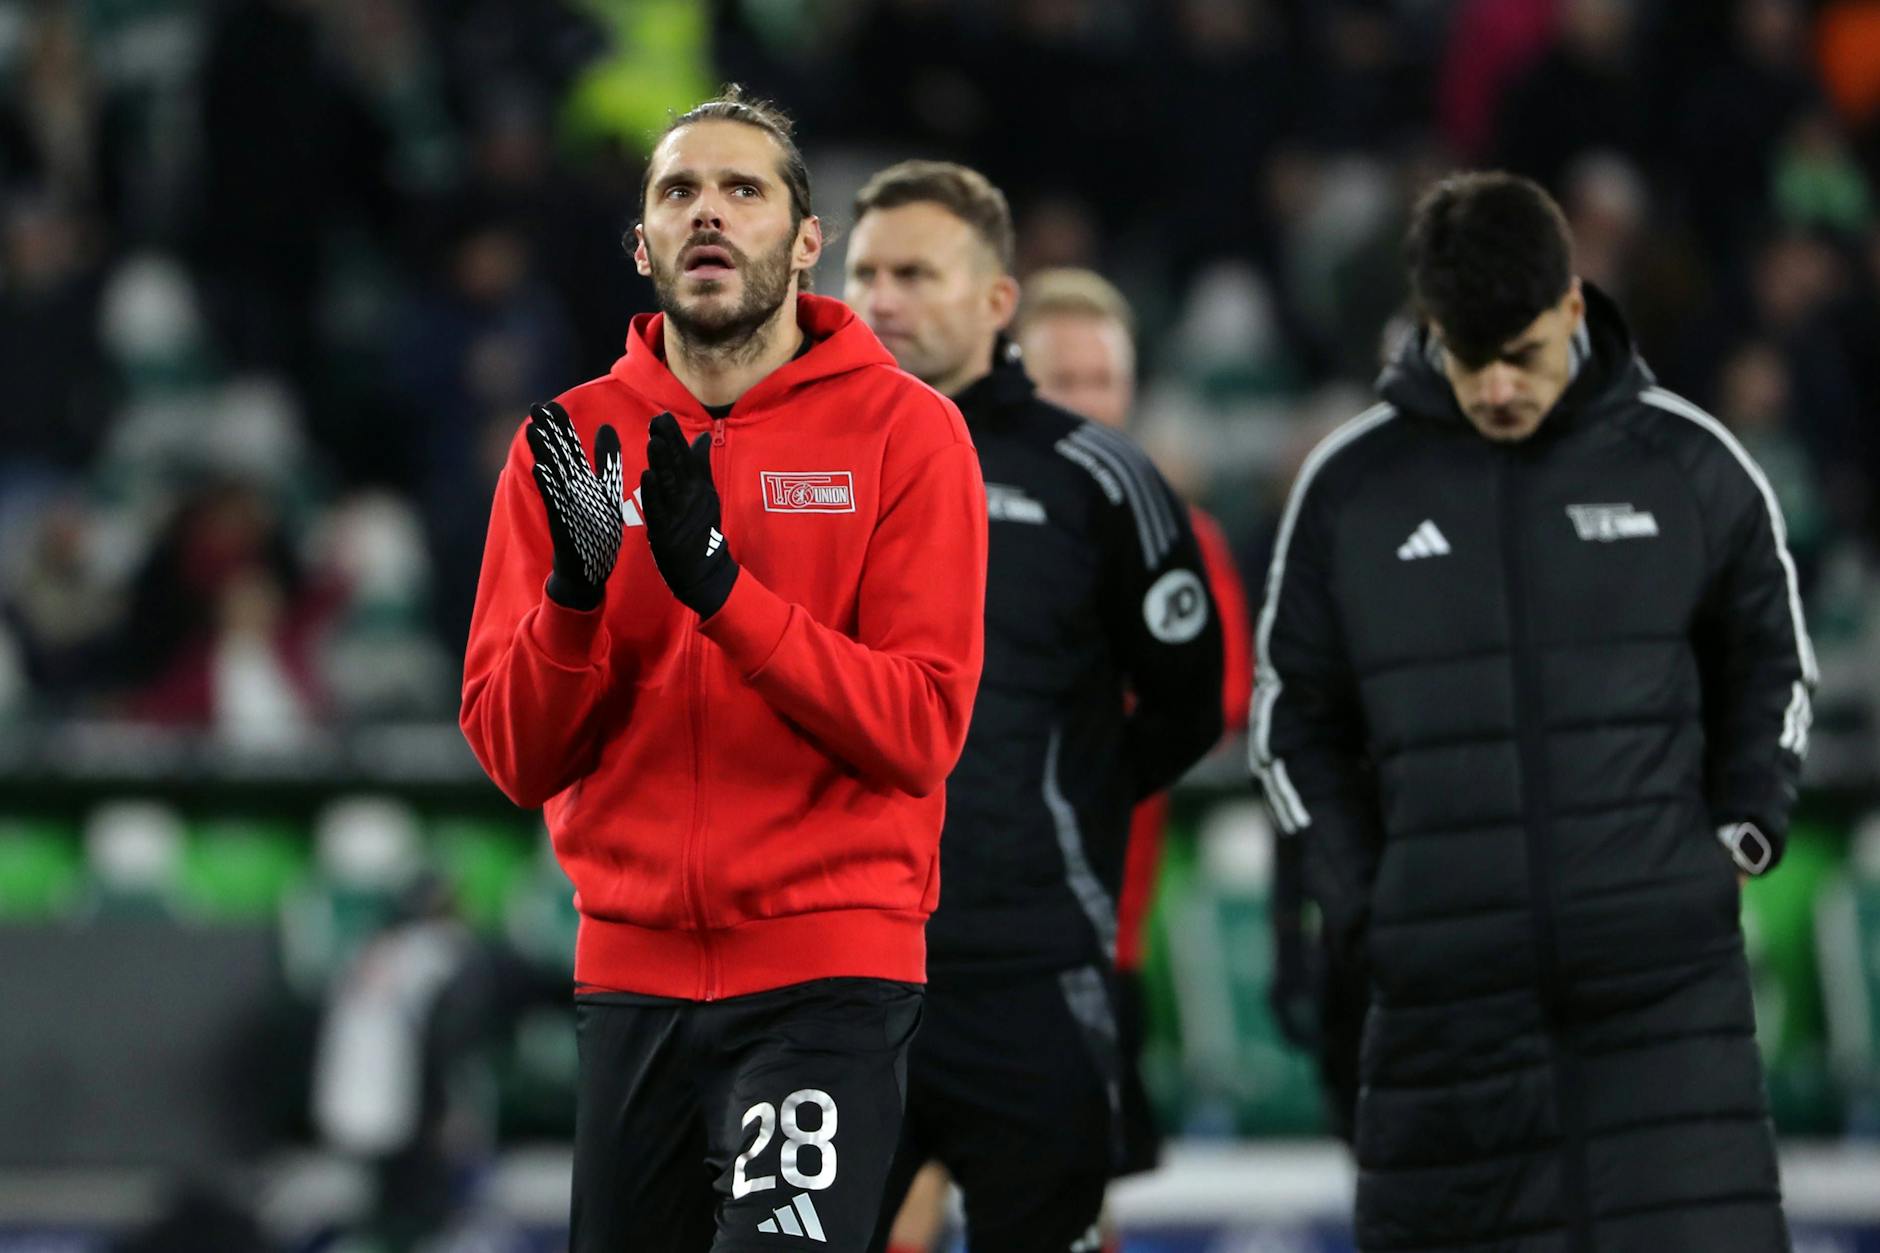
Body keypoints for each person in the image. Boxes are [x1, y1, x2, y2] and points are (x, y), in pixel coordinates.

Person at [459, 89, 988, 1252]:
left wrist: (728, 599)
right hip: (630, 981)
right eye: (677, 192)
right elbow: (512, 753)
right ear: (641, 241)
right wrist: (573, 601)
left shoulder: (907, 435)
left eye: (743, 189)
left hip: (826, 979)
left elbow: (919, 727)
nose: (708, 212)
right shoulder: (569, 443)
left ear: (806, 244)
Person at [1252, 170, 1814, 1252]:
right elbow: (1292, 719)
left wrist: (1740, 827)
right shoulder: (1349, 488)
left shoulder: (1687, 465)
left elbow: (1770, 661)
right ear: (1427, 328)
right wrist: (1370, 894)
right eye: (1469, 358)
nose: (1499, 385)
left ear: (1570, 304)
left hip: (1663, 1001)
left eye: (1521, 351)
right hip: (1441, 1013)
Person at [844, 161, 1224, 1253]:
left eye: (914, 272)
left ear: (996, 300)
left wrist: (1063, 797)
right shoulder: (787, 464)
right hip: (835, 974)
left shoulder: (1095, 479)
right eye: (865, 271)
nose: (882, 298)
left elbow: (1186, 704)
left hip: (1029, 964)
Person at [1012, 267, 1255, 1177]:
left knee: (1076, 1184)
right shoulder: (944, 518)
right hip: (944, 929)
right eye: (1059, 379)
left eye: (1100, 379)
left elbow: (1217, 697)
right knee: (905, 1183)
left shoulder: (1176, 539)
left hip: (1096, 933)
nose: (1083, 401)